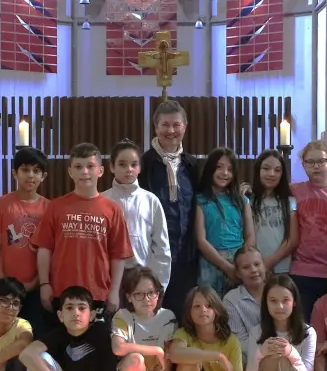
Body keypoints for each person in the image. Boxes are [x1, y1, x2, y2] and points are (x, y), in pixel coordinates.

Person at [34, 143, 134, 316]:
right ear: (70, 172)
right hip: (61, 293)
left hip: (98, 293)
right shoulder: (55, 207)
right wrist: (44, 284)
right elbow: (44, 249)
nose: (84, 172)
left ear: (100, 171)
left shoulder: (113, 209)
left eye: (90, 166)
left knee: (96, 343)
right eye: (78, 167)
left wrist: (114, 290)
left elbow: (118, 255)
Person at [139, 100, 199, 316]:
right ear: (156, 127)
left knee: (184, 314)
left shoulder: (191, 166)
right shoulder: (143, 164)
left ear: (185, 126)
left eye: (176, 124)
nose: (171, 130)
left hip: (186, 256)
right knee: (152, 313)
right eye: (165, 125)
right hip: (152, 256)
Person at [0, 146, 52, 336]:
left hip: (36, 288)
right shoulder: (1, 205)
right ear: (15, 173)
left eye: (36, 170)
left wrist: (34, 283)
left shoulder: (49, 208)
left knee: (34, 335)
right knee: (3, 337)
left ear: (43, 176)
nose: (30, 175)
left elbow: (49, 252)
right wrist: (2, 282)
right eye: (25, 169)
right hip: (6, 287)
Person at [104, 140, 173, 302]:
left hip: (143, 277)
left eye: (134, 164)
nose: (129, 169)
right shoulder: (102, 200)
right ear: (112, 167)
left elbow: (162, 247)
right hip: (109, 277)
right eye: (122, 164)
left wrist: (159, 285)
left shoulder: (150, 200)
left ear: (139, 168)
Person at [288, 140, 327, 319]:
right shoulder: (294, 190)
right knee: (304, 326)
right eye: (310, 162)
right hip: (302, 271)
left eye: (321, 161)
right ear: (303, 165)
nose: (316, 166)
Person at [194, 147, 254, 294]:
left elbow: (250, 236)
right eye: (219, 167)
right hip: (211, 261)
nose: (224, 173)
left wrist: (241, 262)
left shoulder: (242, 200)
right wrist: (226, 266)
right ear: (210, 169)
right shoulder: (200, 200)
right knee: (211, 308)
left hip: (239, 261)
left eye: (230, 169)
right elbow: (201, 240)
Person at [247, 150, 295, 275]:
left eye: (277, 170)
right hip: (254, 268)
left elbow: (292, 239)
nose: (271, 174)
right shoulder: (248, 200)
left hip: (283, 267)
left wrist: (270, 261)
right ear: (258, 171)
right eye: (266, 168)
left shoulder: (290, 202)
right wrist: (258, 263)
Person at [222, 246, 268, 356]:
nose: (253, 270)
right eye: (246, 267)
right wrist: (268, 349)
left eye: (257, 264)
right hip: (251, 358)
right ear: (238, 273)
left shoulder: (280, 291)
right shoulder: (231, 300)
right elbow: (240, 343)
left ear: (264, 266)